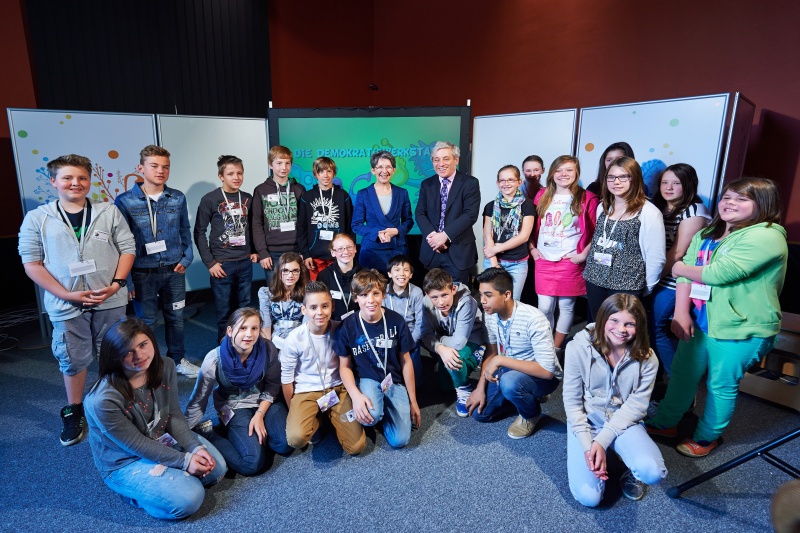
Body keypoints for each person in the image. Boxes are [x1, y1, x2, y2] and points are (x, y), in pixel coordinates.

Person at [646, 178, 787, 457]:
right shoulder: (711, 231)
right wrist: (681, 311)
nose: (729, 203)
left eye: (741, 199)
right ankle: (665, 423)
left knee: (720, 385)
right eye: (727, 197)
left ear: (763, 204)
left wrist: (678, 268)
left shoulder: (768, 235)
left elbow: (718, 273)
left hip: (742, 328)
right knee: (683, 377)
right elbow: (688, 271)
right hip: (701, 321)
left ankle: (707, 437)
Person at [19, 154, 136, 446]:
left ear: (90, 181)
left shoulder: (107, 211)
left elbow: (127, 248)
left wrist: (116, 285)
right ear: (54, 182)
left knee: (114, 353)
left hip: (110, 298)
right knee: (73, 358)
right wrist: (65, 294)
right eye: (68, 178)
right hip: (66, 303)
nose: (76, 183)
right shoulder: (38, 218)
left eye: (82, 178)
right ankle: (75, 409)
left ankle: (117, 402)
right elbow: (32, 263)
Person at [84, 319, 227, 520]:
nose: (139, 356)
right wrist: (184, 461)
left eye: (143, 345)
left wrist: (195, 448)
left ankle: (169, 480)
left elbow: (173, 414)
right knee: (189, 499)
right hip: (125, 460)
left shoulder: (165, 366)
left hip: (159, 437)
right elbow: (136, 444)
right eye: (128, 351)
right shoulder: (102, 400)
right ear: (114, 356)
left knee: (217, 470)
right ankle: (134, 495)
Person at [563, 294, 667, 506]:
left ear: (639, 326)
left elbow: (637, 406)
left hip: (623, 420)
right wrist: (587, 445)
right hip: (588, 421)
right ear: (602, 319)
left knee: (653, 473)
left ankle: (625, 466)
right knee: (589, 498)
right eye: (614, 320)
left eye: (630, 324)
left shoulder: (648, 358)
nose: (621, 329)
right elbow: (573, 404)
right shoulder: (576, 348)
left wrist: (601, 441)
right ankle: (599, 452)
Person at [115, 145, 199, 378]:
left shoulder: (177, 197)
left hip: (174, 269)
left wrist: (187, 256)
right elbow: (121, 242)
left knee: (176, 318)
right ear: (140, 168)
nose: (160, 171)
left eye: (165, 167)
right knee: (146, 322)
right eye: (154, 166)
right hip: (143, 272)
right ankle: (150, 366)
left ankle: (178, 359)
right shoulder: (125, 201)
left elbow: (185, 229)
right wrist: (127, 281)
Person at [185, 308, 290, 476]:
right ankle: (210, 434)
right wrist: (185, 433)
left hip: (265, 401)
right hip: (234, 405)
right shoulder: (214, 359)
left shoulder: (268, 348)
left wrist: (259, 415)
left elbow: (272, 385)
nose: (249, 334)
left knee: (284, 444)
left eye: (254, 328)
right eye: (243, 328)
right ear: (230, 330)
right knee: (251, 464)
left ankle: (253, 434)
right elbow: (199, 400)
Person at [469, 268, 562, 439]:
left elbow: (547, 372)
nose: (482, 301)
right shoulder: (490, 314)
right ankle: (524, 397)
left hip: (541, 377)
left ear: (506, 295)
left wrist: (499, 360)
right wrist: (479, 387)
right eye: (481, 294)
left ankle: (530, 414)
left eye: (488, 295)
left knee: (510, 383)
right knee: (480, 414)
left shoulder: (534, 319)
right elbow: (491, 353)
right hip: (508, 369)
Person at [334, 269, 421, 448]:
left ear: (383, 294)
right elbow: (344, 367)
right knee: (370, 418)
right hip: (367, 379)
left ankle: (382, 410)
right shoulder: (348, 326)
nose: (371, 300)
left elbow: (406, 361)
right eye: (364, 295)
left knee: (400, 440)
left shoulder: (396, 321)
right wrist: (356, 396)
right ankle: (375, 410)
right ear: (356, 298)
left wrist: (413, 401)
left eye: (376, 294)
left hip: (392, 381)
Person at [280, 281, 366, 455]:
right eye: (313, 307)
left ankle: (331, 417)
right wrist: (294, 411)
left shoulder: (339, 330)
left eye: (325, 306)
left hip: (337, 389)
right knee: (296, 438)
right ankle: (317, 418)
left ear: (332, 306)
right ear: (304, 310)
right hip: (307, 391)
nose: (319, 312)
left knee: (356, 447)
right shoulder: (294, 338)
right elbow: (287, 380)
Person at [530, 156, 599, 352]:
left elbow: (595, 231)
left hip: (570, 261)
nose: (563, 175)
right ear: (552, 173)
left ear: (576, 173)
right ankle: (544, 343)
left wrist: (582, 255)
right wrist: (533, 249)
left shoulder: (588, 198)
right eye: (559, 170)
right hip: (544, 259)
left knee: (567, 306)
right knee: (544, 307)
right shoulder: (542, 195)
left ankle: (556, 347)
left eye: (569, 170)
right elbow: (531, 225)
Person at [583, 156, 665, 320]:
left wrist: (646, 287)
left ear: (634, 179)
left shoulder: (648, 212)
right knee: (596, 327)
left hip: (626, 285)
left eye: (623, 177)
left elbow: (656, 257)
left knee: (619, 333)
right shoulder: (603, 206)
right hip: (595, 279)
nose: (616, 182)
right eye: (611, 177)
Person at [647, 163, 710, 377]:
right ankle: (657, 379)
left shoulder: (694, 210)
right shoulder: (659, 206)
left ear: (688, 185)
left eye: (676, 183)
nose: (669, 187)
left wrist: (649, 280)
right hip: (658, 273)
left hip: (675, 279)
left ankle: (677, 383)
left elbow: (678, 252)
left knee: (655, 327)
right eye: (665, 182)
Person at [194, 155, 258, 341]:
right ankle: (225, 349)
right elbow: (199, 232)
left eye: (239, 173)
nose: (236, 177)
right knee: (224, 311)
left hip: (244, 262)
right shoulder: (210, 199)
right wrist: (210, 263)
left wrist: (253, 250)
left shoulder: (247, 198)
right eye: (230, 174)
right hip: (221, 265)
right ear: (221, 176)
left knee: (244, 308)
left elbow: (254, 227)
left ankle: (244, 344)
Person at [420, 268, 487, 416]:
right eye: (435, 297)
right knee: (445, 387)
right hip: (447, 342)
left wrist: (440, 343)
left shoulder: (467, 301)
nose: (441, 302)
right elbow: (425, 334)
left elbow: (459, 343)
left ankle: (464, 389)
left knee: (453, 360)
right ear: (427, 295)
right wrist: (441, 349)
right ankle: (475, 358)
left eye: (444, 294)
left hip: (471, 338)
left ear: (453, 289)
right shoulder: (425, 302)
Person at [414, 141, 481, 285]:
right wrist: (434, 237)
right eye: (436, 160)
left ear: (456, 160)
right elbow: (420, 213)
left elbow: (470, 215)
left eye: (446, 158)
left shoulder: (470, 183)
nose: (441, 163)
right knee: (433, 298)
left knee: (458, 298)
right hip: (432, 251)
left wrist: (444, 236)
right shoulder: (427, 184)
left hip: (458, 252)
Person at [351, 150, 414, 273]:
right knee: (370, 289)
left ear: (394, 170)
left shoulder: (402, 193)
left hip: (397, 249)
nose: (384, 171)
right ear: (373, 170)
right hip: (370, 250)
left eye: (388, 167)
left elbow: (408, 221)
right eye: (380, 167)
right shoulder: (363, 194)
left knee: (396, 289)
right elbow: (356, 225)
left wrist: (397, 230)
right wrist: (377, 233)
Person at [252, 145, 306, 285]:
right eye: (279, 163)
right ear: (271, 164)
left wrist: (303, 250)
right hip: (272, 253)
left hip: (296, 250)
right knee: (275, 294)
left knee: (297, 293)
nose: (284, 167)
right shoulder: (261, 190)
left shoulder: (299, 189)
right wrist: (262, 252)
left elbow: (304, 222)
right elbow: (256, 223)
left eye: (287, 163)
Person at [482, 165, 535, 300]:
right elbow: (488, 235)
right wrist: (494, 263)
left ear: (519, 182)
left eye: (511, 180)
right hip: (493, 261)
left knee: (512, 301)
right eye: (502, 180)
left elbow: (524, 236)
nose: (506, 184)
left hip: (517, 263)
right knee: (491, 301)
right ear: (497, 183)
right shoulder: (490, 206)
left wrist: (495, 249)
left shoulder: (527, 205)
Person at [297, 156, 353, 280]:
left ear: (334, 173)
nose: (325, 175)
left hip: (340, 255)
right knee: (316, 292)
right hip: (314, 257)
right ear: (315, 174)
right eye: (321, 171)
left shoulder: (343, 196)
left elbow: (350, 226)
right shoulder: (307, 196)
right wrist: (305, 254)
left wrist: (349, 251)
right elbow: (301, 228)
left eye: (329, 171)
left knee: (338, 292)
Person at [383, 254, 425, 388]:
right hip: (390, 335)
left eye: (406, 270)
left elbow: (420, 322)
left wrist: (411, 342)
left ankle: (414, 387)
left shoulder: (416, 292)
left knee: (414, 368)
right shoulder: (383, 291)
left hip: (410, 336)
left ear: (411, 274)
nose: (401, 274)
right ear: (389, 273)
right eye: (397, 270)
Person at [257, 252, 308, 351]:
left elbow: (306, 326)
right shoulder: (266, 293)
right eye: (285, 270)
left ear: (300, 272)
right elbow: (266, 324)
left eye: (295, 271)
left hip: (299, 337)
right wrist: (268, 349)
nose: (290, 275)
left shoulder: (307, 293)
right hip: (275, 336)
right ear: (279, 272)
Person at [317, 233, 363, 321]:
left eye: (349, 247)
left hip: (359, 323)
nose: (346, 252)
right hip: (332, 324)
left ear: (355, 249)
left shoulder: (365, 274)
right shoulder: (324, 276)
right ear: (333, 252)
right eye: (340, 249)